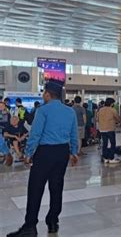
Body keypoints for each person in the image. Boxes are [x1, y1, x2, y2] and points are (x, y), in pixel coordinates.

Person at [7, 79, 79, 237]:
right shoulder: (69, 111)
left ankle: (30, 226)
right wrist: (74, 152)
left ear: (47, 94)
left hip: (45, 153)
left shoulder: (43, 110)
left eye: (43, 93)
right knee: (56, 186)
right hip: (62, 152)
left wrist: (28, 153)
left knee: (35, 188)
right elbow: (74, 134)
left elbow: (36, 134)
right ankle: (53, 221)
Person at [96, 98, 120, 164]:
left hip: (102, 129)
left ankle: (105, 157)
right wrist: (117, 122)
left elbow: (97, 119)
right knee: (112, 143)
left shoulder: (100, 110)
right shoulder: (112, 110)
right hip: (110, 129)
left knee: (105, 144)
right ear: (111, 103)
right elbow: (117, 118)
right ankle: (111, 157)